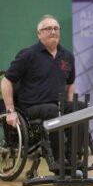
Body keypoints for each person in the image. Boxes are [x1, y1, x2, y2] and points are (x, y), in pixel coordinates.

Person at [1, 14, 85, 173]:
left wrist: (69, 107)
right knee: (52, 110)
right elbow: (6, 81)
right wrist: (10, 111)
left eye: (56, 28)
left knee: (79, 107)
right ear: (39, 34)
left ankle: (72, 157)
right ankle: (58, 160)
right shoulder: (28, 54)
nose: (53, 32)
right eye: (48, 29)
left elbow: (70, 83)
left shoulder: (67, 56)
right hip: (31, 108)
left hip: (58, 105)